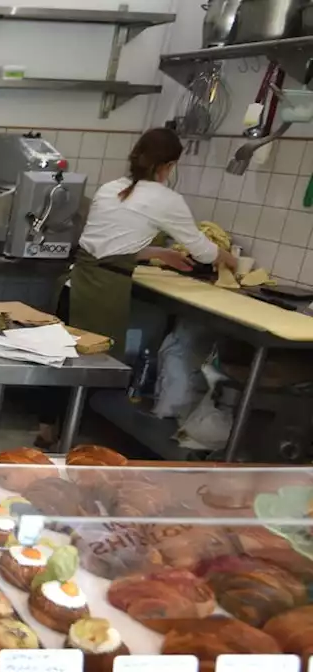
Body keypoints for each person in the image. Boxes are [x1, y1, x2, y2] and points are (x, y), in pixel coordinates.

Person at [35, 127, 236, 448]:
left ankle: (48, 427)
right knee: (87, 363)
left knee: (61, 357)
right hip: (102, 291)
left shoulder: (111, 189)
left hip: (74, 282)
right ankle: (71, 438)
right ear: (168, 165)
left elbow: (108, 244)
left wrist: (158, 253)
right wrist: (228, 258)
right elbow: (201, 250)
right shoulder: (166, 199)